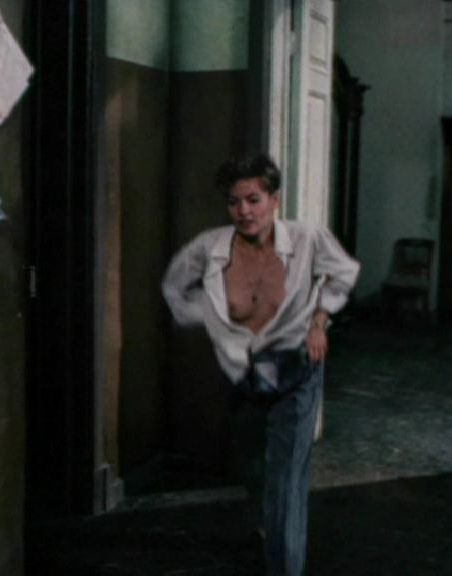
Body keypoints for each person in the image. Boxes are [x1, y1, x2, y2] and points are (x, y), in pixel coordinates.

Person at [162, 153, 359, 575]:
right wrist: (215, 321)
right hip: (243, 374)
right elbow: (175, 291)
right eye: (234, 202)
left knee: (286, 481)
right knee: (255, 468)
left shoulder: (307, 239)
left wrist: (319, 321)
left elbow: (344, 272)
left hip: (297, 368)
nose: (244, 211)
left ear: (274, 200)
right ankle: (268, 528)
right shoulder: (209, 248)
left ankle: (283, 563)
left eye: (253, 200)